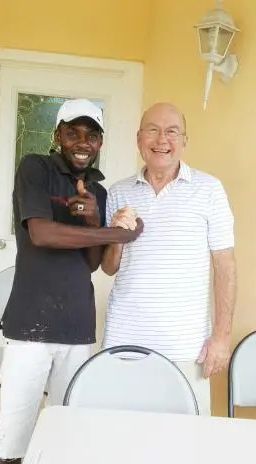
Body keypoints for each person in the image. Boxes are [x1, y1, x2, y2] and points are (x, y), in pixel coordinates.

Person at [0, 98, 143, 464]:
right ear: (58, 135)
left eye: (91, 135)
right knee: (13, 439)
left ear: (101, 142)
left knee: (64, 433)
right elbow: (41, 233)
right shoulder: (35, 168)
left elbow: (92, 264)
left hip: (76, 328)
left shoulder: (98, 191)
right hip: (30, 327)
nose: (82, 142)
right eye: (72, 132)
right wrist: (116, 234)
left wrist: (93, 218)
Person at [101, 102, 236, 415]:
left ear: (184, 141)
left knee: (185, 438)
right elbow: (109, 268)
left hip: (185, 345)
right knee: (121, 433)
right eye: (153, 130)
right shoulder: (118, 192)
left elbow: (225, 268)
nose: (162, 140)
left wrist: (221, 338)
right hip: (124, 340)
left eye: (172, 132)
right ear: (139, 139)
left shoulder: (209, 189)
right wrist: (118, 235)